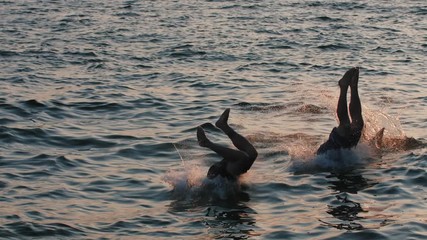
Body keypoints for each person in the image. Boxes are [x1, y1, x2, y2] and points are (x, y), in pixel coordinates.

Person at [197, 108, 258, 180]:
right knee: (252, 154)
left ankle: (220, 128)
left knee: (244, 157)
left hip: (221, 173)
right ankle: (210, 139)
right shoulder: (212, 187)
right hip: (222, 174)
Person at [317, 67, 364, 155]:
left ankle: (348, 86)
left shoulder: (322, 158)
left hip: (331, 149)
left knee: (347, 126)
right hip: (338, 150)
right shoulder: (322, 161)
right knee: (357, 125)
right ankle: (350, 86)